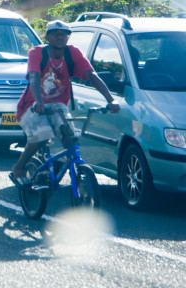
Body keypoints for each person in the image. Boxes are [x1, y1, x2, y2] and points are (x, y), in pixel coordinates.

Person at [9, 20, 120, 186]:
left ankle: (73, 168)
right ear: (47, 37)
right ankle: (19, 167)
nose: (61, 37)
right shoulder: (37, 52)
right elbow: (33, 76)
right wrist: (39, 101)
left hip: (59, 105)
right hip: (31, 105)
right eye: (56, 34)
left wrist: (111, 99)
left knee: (70, 136)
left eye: (65, 34)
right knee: (42, 134)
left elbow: (91, 75)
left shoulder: (72, 53)